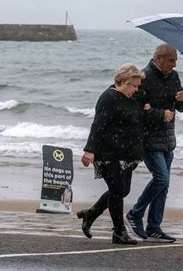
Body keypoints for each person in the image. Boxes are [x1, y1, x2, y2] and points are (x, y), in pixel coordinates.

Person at [124, 43, 183, 243]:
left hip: (169, 140)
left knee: (164, 185)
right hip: (149, 139)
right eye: (172, 61)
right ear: (159, 58)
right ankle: (135, 214)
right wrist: (160, 114)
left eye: (176, 61)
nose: (174, 65)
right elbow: (135, 111)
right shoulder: (144, 78)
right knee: (161, 179)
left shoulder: (174, 77)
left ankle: (154, 226)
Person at [77, 63, 145, 245]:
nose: (136, 90)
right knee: (116, 191)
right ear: (123, 82)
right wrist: (89, 150)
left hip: (125, 153)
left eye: (138, 86)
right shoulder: (108, 97)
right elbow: (98, 125)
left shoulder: (129, 98)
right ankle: (119, 232)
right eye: (134, 86)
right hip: (107, 153)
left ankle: (91, 213)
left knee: (123, 190)